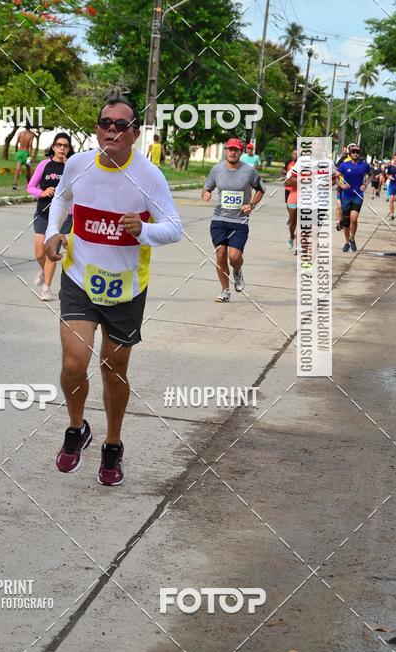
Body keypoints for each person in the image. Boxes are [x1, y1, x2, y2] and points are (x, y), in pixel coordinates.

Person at [45, 98, 182, 486]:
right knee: (74, 362)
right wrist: (56, 231)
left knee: (113, 368)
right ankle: (76, 429)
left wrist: (144, 231)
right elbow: (61, 199)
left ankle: (113, 444)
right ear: (97, 128)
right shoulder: (78, 164)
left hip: (126, 287)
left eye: (122, 125)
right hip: (79, 278)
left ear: (135, 133)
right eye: (105, 123)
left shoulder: (149, 176)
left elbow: (173, 227)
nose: (112, 130)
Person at [202, 137, 265, 302]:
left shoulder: (249, 170)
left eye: (236, 149)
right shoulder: (216, 170)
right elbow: (207, 187)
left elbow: (260, 189)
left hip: (239, 221)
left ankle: (237, 272)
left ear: (240, 152)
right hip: (219, 220)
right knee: (221, 255)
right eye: (230, 149)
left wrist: (251, 204)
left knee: (234, 257)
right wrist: (206, 193)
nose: (232, 152)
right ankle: (225, 291)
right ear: (226, 150)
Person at [27, 133, 74, 301]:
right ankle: (43, 268)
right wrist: (42, 192)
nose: (62, 148)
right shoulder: (44, 165)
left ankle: (46, 287)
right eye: (59, 145)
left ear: (69, 149)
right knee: (40, 253)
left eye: (65, 146)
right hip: (43, 212)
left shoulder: (72, 167)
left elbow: (79, 189)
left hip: (63, 216)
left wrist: (71, 168)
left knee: (51, 253)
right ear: (53, 147)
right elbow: (30, 187)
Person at [336, 143, 371, 252]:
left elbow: (371, 175)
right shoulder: (344, 165)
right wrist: (341, 185)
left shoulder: (364, 165)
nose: (355, 154)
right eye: (353, 152)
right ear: (350, 153)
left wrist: (365, 184)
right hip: (346, 195)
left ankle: (352, 238)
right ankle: (347, 241)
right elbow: (335, 175)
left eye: (357, 152)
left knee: (354, 218)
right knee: (346, 221)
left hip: (358, 195)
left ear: (360, 154)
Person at [12, 124, 35, 190]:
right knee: (28, 170)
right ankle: (28, 185)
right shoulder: (31, 135)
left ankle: (15, 184)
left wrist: (17, 152)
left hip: (19, 152)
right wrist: (30, 156)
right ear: (30, 127)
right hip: (26, 153)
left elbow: (16, 144)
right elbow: (30, 145)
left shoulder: (20, 133)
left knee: (18, 169)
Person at [284, 148, 298, 250]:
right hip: (293, 196)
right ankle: (292, 236)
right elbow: (286, 182)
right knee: (293, 222)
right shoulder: (293, 167)